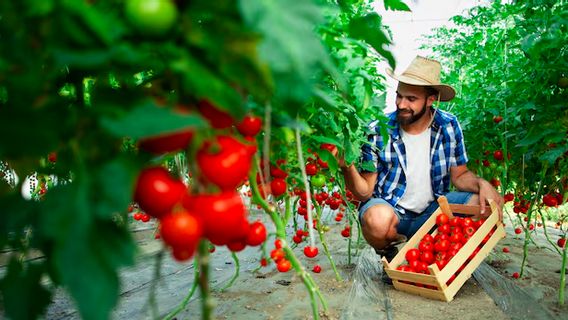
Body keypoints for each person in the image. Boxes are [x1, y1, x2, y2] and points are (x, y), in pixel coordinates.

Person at [338, 56, 503, 283]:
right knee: (376, 218)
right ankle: (391, 254)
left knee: (482, 205)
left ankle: (442, 256)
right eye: (399, 95)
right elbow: (365, 192)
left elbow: (460, 175)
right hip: (393, 214)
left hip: (433, 214)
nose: (401, 104)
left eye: (411, 99)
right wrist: (347, 167)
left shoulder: (448, 125)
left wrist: (483, 184)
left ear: (430, 100)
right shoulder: (378, 130)